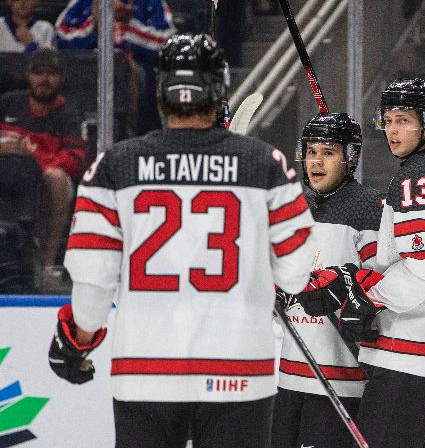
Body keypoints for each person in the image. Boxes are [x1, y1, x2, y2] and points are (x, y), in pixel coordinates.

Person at [47, 34, 316, 448]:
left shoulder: (115, 165)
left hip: (145, 372)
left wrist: (78, 340)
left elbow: (93, 277)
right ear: (220, 89)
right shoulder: (266, 163)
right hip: (239, 370)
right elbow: (297, 273)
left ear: (161, 90)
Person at [305, 78, 425, 448]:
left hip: (413, 352)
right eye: (387, 120)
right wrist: (354, 279)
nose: (392, 130)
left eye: (403, 120)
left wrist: (368, 297)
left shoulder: (418, 175)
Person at [271, 112, 383, 448]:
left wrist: (347, 289)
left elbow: (379, 285)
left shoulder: (367, 207)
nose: (316, 162)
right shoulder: (296, 208)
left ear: (350, 158)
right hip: (290, 375)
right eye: (311, 152)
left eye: (328, 153)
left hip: (341, 381)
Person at [0, 48, 87, 290]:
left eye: (52, 73)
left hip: (45, 178)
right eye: (38, 72)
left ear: (61, 78)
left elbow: (75, 160)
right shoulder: (8, 103)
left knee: (56, 178)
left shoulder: (69, 111)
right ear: (28, 75)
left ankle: (47, 265)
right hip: (8, 174)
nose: (44, 79)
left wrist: (33, 159)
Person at [55, 0, 177, 134]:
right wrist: (96, 23)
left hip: (137, 73)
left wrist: (127, 24)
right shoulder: (83, 2)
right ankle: (72, 131)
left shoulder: (152, 3)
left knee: (123, 67)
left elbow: (167, 44)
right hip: (86, 68)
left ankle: (129, 132)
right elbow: (60, 37)